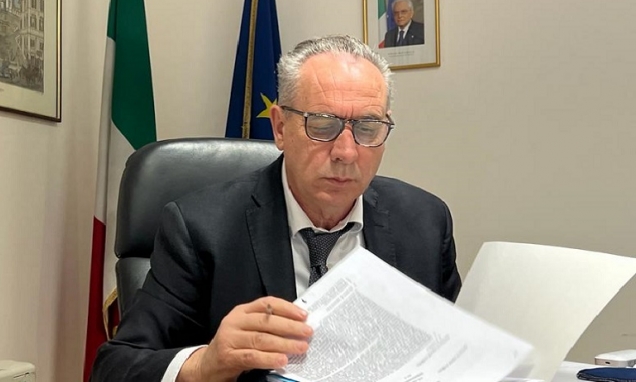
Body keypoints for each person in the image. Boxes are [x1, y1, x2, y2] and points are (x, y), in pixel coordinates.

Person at [90, 35, 461, 382]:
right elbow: (114, 366)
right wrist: (206, 362)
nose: (346, 152)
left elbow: (459, 355)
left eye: (367, 127)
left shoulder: (425, 222)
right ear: (280, 128)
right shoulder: (201, 228)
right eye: (322, 125)